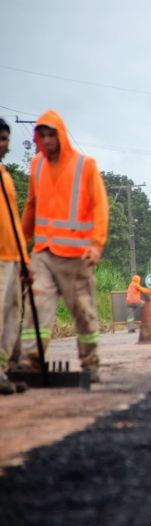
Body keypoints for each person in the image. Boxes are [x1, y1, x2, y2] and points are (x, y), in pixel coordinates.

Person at [12, 110, 109, 383]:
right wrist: (22, 244)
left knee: (83, 311)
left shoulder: (85, 165)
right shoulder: (37, 165)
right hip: (43, 251)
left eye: (50, 135)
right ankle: (31, 359)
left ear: (61, 135)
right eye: (41, 136)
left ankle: (90, 363)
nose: (46, 140)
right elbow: (31, 206)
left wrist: (96, 244)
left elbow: (100, 206)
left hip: (76, 255)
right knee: (37, 303)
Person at [0, 119, 29, 394]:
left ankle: (3, 370)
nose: (3, 144)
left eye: (5, 138)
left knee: (11, 314)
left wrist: (23, 260)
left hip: (11, 257)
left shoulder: (6, 176)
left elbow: (13, 222)